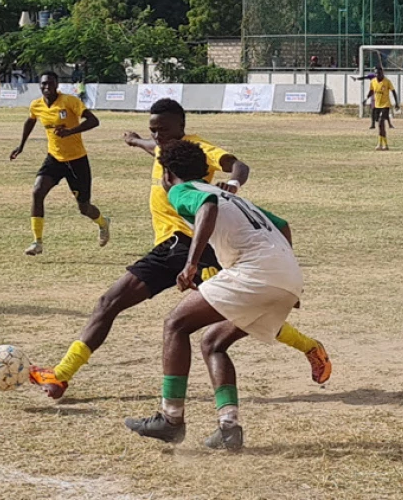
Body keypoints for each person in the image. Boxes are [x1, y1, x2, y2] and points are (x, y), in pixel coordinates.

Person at [28, 98, 330, 400]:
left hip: (196, 247)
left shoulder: (197, 149)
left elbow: (238, 164)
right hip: (166, 248)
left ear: (181, 128)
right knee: (109, 302)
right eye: (153, 130)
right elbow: (154, 148)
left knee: (245, 316)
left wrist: (234, 182)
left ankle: (309, 347)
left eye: (163, 130)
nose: (158, 136)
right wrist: (135, 141)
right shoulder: (163, 148)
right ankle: (62, 375)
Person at [124, 140, 314, 450]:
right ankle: (229, 428)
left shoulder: (180, 191)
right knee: (214, 343)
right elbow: (283, 225)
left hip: (256, 274)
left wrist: (190, 265)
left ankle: (170, 419)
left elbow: (206, 209)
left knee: (175, 324)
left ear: (167, 173)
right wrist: (287, 279)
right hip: (286, 278)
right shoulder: (227, 194)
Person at [10, 71, 110, 256]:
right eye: (43, 84)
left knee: (84, 208)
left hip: (77, 160)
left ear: (57, 84)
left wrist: (71, 131)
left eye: (50, 83)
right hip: (54, 158)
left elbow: (94, 121)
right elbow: (30, 121)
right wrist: (21, 145)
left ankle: (103, 223)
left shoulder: (69, 101)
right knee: (37, 191)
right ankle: (37, 241)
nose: (46, 87)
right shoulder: (37, 105)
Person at [364, 66, 399, 150]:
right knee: (380, 126)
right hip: (377, 106)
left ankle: (380, 144)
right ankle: (384, 145)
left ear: (382, 73)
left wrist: (397, 103)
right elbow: (371, 91)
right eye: (375, 73)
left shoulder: (387, 81)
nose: (377, 74)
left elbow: (393, 91)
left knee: (380, 123)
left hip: (385, 105)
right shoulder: (373, 81)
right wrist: (366, 99)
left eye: (378, 73)